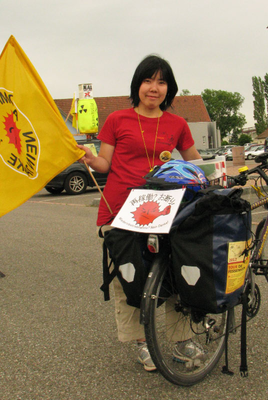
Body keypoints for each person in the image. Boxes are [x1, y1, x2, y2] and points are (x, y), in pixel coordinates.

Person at [78, 54, 203, 372]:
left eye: (162, 82)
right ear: (138, 84)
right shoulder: (117, 120)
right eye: (148, 80)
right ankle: (141, 342)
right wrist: (91, 160)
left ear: (169, 89)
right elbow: (105, 163)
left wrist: (222, 172)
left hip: (166, 210)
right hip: (120, 209)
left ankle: (181, 340)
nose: (154, 87)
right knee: (129, 278)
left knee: (178, 272)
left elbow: (196, 164)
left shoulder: (177, 124)